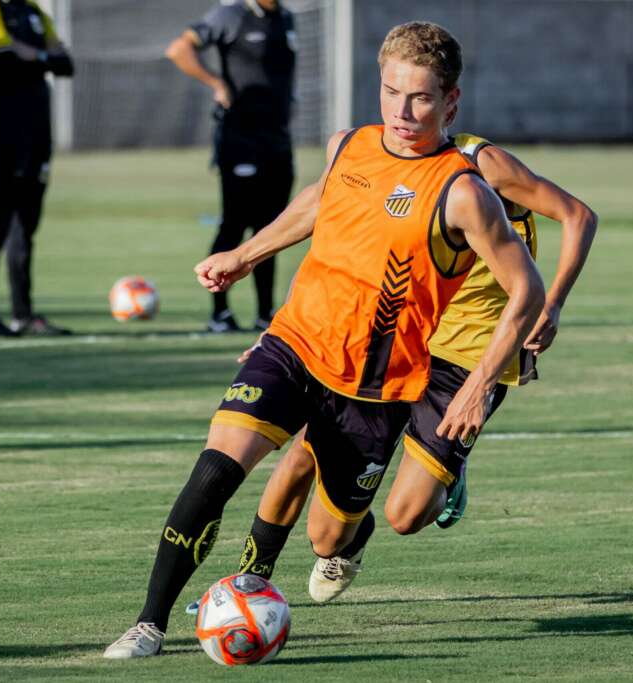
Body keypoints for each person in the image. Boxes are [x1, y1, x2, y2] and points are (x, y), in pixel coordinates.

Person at [103, 21, 545, 658]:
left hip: (377, 386)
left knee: (328, 538)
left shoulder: (466, 192)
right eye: (391, 92)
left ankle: (348, 541)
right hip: (296, 344)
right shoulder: (351, 146)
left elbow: (525, 290)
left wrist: (477, 388)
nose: (401, 110)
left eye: (420, 97)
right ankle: (149, 622)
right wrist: (247, 254)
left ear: (450, 102)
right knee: (216, 469)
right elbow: (319, 201)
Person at [221, 131, 598, 604]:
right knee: (309, 472)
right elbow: (337, 256)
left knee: (407, 515)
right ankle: (248, 582)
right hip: (398, 339)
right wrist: (287, 329)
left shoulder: (483, 166)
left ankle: (448, 477)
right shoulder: (382, 166)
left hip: (469, 354)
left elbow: (579, 216)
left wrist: (554, 303)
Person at [166, 0, 296, 333]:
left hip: (277, 141)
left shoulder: (285, 18)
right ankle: (219, 313)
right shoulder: (232, 15)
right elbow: (179, 49)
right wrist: (217, 85)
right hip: (241, 140)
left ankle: (265, 313)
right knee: (235, 224)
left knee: (273, 228)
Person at [0, 0, 73, 338]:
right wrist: (42, 57)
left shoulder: (33, 12)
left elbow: (65, 63)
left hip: (37, 135)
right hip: (3, 134)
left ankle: (22, 314)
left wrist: (36, 55)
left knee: (25, 227)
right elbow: (2, 54)